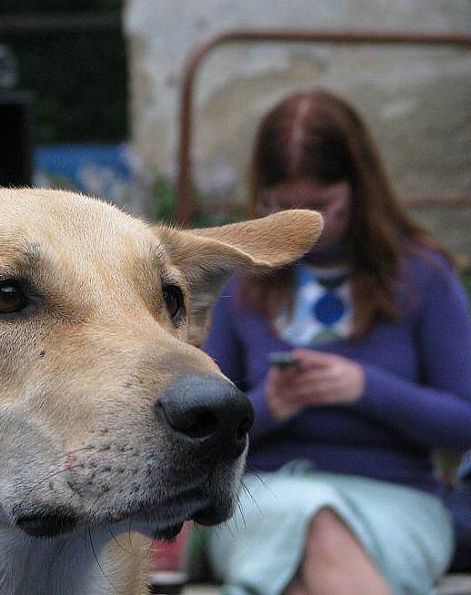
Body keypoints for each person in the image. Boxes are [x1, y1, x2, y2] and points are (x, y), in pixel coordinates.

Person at [198, 89, 471, 595]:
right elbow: (201, 427)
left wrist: (365, 388)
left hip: (397, 500)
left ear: (358, 187)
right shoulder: (243, 281)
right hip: (265, 496)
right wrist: (269, 406)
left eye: (321, 205)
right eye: (282, 208)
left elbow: (464, 421)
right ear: (262, 197)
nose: (307, 224)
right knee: (309, 516)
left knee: (311, 542)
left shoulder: (423, 276)